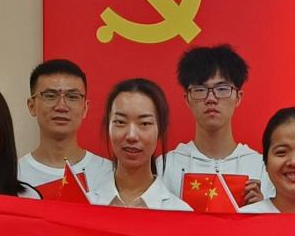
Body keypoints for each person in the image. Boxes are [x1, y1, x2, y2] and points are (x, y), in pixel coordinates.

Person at [169, 43, 266, 204]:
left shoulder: (262, 168)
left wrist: (263, 208)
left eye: (222, 89)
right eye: (200, 89)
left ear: (238, 97)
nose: (211, 99)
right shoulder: (166, 166)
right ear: (187, 99)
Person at [90, 78, 189, 211]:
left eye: (144, 123)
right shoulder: (85, 206)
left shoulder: (179, 212)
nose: (131, 136)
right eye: (120, 122)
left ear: (161, 129)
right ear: (108, 126)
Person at [20, 59, 113, 198]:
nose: (61, 106)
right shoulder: (12, 176)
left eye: (72, 97)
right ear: (32, 106)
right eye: (50, 96)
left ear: (85, 108)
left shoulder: (110, 174)